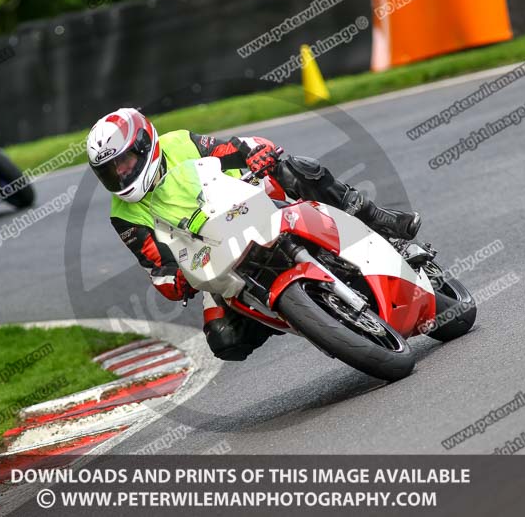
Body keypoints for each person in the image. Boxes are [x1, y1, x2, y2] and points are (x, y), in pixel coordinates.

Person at [86, 107, 421, 361]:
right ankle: (303, 312)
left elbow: (230, 147)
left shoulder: (179, 143)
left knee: (295, 169)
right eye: (110, 170)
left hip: (247, 201)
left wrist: (256, 153)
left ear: (145, 146)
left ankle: (376, 218)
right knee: (224, 340)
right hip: (211, 258)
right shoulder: (124, 216)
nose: (121, 173)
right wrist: (180, 280)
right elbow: (158, 268)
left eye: (125, 161)